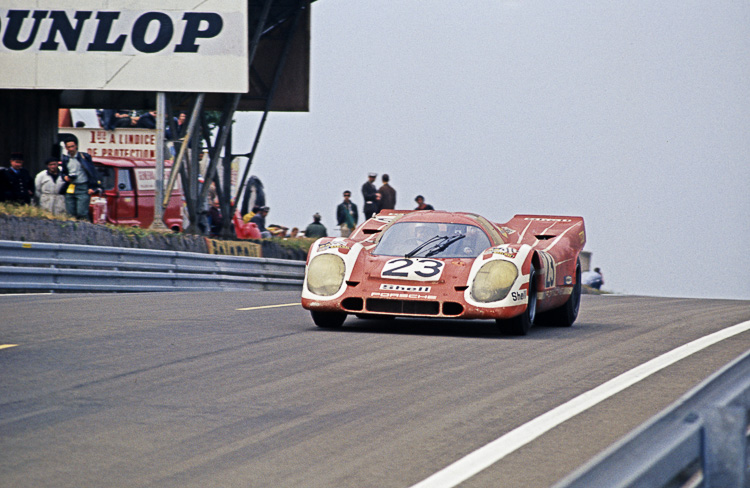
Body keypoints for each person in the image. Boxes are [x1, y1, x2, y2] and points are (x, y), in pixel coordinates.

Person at [61, 136, 101, 220]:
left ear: (76, 146)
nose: (71, 149)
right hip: (71, 186)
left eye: (72, 146)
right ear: (66, 148)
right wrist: (65, 177)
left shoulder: (84, 157)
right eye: (68, 147)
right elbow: (63, 171)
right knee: (70, 212)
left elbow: (92, 172)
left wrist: (92, 187)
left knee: (81, 212)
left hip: (83, 186)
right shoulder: (65, 159)